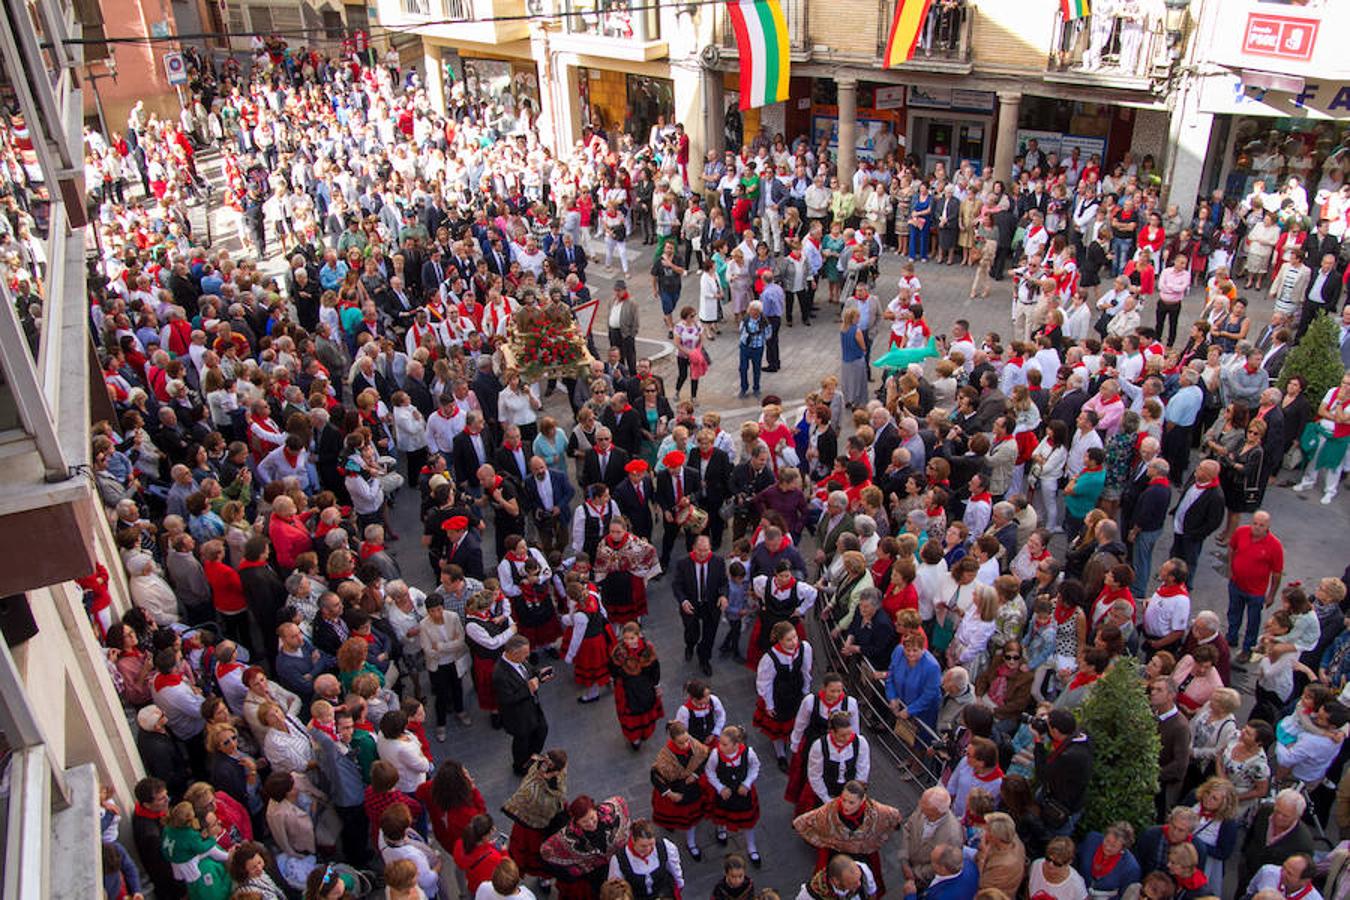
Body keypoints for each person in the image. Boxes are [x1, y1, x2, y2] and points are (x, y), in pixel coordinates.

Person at [501, 749, 570, 887]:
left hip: (526, 824)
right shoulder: (540, 797)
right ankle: (543, 879)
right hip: (537, 830)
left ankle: (542, 878)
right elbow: (551, 813)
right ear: (556, 771)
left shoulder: (538, 766)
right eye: (565, 767)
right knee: (538, 857)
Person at [704, 725, 764, 866]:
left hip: (742, 792)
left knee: (748, 821)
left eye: (725, 744)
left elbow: (755, 767)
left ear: (736, 744)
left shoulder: (748, 753)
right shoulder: (715, 754)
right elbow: (710, 772)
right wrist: (720, 788)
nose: (720, 746)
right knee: (721, 814)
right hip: (725, 793)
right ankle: (721, 830)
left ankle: (751, 846)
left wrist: (747, 783)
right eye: (720, 743)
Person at [671, 534, 728, 676]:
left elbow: (724, 583)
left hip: (711, 605)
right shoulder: (683, 563)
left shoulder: (718, 561)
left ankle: (704, 659)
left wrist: (723, 595)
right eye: (700, 550)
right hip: (691, 605)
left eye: (706, 550)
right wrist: (683, 600)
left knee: (709, 635)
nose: (703, 554)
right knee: (691, 631)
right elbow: (677, 585)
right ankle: (690, 646)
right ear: (693, 548)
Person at [494, 635, 551, 775]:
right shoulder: (500, 674)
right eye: (525, 653)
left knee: (542, 731)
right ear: (513, 653)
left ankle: (532, 757)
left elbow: (530, 672)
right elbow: (506, 699)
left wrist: (539, 675)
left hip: (533, 707)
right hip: (518, 715)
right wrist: (529, 689)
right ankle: (520, 766)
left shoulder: (521, 660)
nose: (528, 656)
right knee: (522, 741)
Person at [608, 622, 664, 751]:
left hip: (645, 687)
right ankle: (635, 738)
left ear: (639, 636)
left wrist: (656, 685)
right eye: (626, 638)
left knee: (644, 712)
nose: (628, 642)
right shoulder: (618, 652)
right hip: (626, 690)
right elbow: (613, 669)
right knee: (630, 716)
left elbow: (655, 669)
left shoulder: (647, 650)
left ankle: (643, 733)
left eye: (632, 638)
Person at [606, 819, 684, 899]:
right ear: (633, 840)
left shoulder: (665, 846)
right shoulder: (619, 860)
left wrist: (679, 883)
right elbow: (616, 889)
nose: (648, 849)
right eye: (643, 846)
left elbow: (674, 868)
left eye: (651, 844)